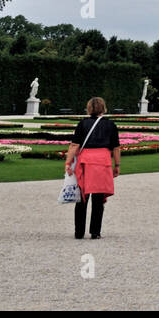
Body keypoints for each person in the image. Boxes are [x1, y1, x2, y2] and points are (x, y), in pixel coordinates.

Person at [64, 97, 121, 240]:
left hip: (85, 161)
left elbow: (74, 145)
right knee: (98, 198)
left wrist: (68, 163)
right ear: (104, 108)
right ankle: (95, 232)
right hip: (103, 161)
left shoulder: (83, 124)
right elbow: (116, 147)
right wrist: (117, 165)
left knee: (82, 197)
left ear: (89, 108)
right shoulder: (110, 125)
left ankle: (79, 232)